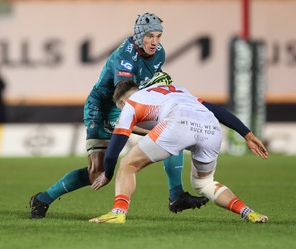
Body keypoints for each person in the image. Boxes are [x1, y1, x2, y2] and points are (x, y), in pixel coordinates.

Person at [29, 13, 207, 219]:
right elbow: (124, 95)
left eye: (159, 36)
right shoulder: (125, 58)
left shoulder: (159, 53)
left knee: (170, 132)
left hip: (130, 102)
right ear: (139, 35)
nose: (155, 42)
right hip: (105, 106)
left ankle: (177, 195)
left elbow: (142, 87)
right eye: (150, 36)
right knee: (97, 171)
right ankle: (43, 199)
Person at [88, 74, 269, 224]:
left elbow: (113, 150)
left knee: (127, 165)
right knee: (204, 183)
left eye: (119, 107)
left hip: (177, 122)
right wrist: (247, 134)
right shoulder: (178, 91)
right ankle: (248, 212)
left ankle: (118, 212)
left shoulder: (131, 103)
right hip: (211, 127)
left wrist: (108, 174)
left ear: (121, 101)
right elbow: (216, 109)